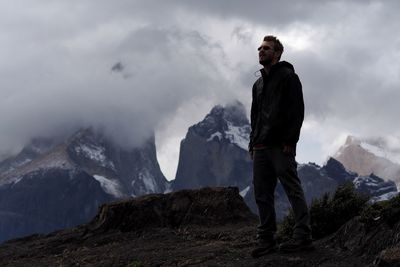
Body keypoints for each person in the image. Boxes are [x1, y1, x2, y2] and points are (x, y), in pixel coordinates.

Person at [249, 35, 313, 257]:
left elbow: (297, 111)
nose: (261, 50)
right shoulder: (257, 84)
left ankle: (303, 237)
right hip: (260, 146)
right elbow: (255, 116)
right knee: (262, 193)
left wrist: (290, 141)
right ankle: (266, 239)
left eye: (266, 48)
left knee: (292, 189)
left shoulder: (288, 77)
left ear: (277, 53)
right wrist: (252, 144)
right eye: (259, 47)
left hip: (279, 145)